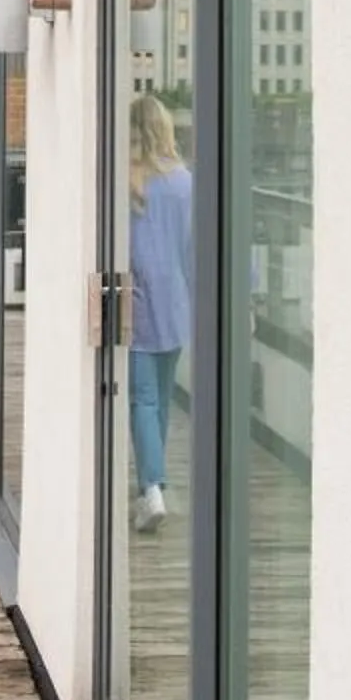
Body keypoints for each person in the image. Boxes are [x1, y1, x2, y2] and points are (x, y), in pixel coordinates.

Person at [127, 91, 192, 531]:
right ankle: (155, 484)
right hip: (175, 303)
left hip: (135, 300)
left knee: (143, 400)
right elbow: (198, 244)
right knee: (161, 401)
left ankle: (151, 488)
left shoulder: (127, 182)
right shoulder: (185, 181)